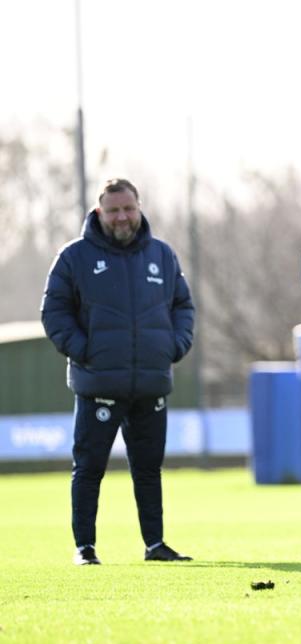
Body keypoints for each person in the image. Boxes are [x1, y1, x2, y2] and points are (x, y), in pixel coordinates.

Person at [41, 178, 195, 565]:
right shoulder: (73, 257)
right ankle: (85, 548)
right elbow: (54, 312)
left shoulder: (162, 256)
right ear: (99, 213)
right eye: (113, 210)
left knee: (148, 471)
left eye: (128, 208)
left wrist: (172, 348)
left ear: (139, 208)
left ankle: (155, 544)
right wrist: (84, 351)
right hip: (98, 384)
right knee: (89, 469)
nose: (122, 216)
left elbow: (183, 308)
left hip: (150, 383)